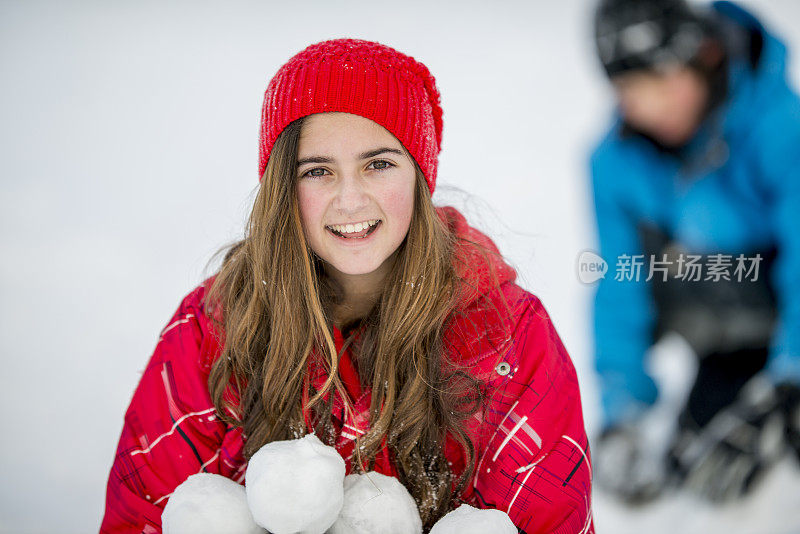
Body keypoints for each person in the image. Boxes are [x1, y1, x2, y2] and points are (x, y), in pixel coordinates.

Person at [100, 38, 594, 533]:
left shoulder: (505, 335)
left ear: (419, 174)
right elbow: (141, 513)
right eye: (318, 171)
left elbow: (551, 518)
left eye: (378, 164)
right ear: (282, 190)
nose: (351, 201)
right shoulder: (216, 328)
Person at [589, 0, 800, 504]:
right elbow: (621, 283)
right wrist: (623, 414)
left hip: (789, 329)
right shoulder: (615, 163)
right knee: (702, 483)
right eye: (629, 92)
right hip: (727, 344)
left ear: (704, 56)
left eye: (662, 84)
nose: (649, 107)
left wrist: (792, 380)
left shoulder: (779, 127)